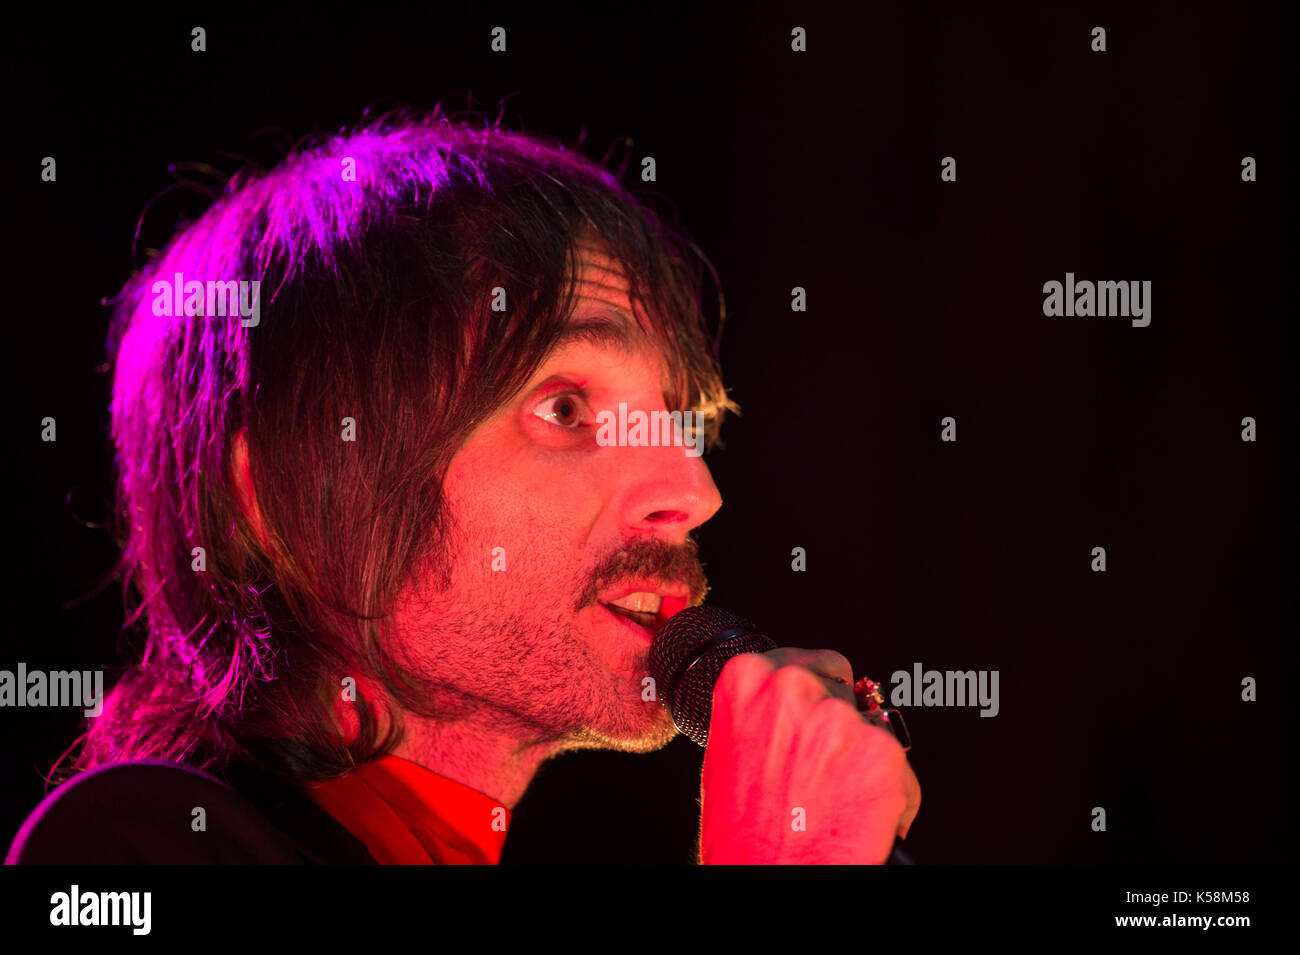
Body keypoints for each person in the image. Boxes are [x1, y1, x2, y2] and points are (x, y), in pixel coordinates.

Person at [6, 111, 919, 865]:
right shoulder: (128, 853)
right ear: (283, 499)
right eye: (566, 406)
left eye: (678, 417)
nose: (694, 487)